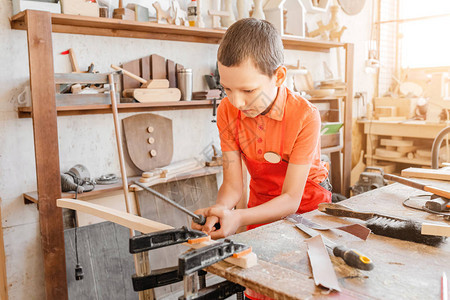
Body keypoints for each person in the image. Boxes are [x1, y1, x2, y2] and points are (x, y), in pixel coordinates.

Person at [192, 17, 332, 295]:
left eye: (248, 90)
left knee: (304, 285)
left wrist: (240, 217)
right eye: (227, 89)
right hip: (260, 202)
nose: (237, 102)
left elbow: (291, 199)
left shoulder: (305, 116)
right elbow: (233, 184)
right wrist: (223, 211)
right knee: (258, 283)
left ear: (278, 76)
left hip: (306, 206)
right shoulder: (227, 112)